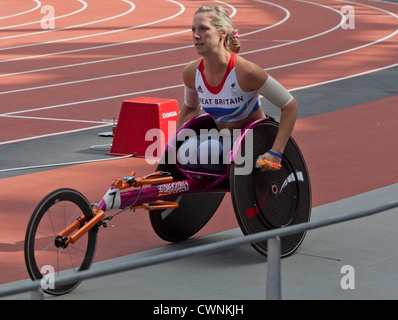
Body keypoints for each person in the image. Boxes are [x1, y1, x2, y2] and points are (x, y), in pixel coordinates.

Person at [176, 5, 298, 172]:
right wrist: (175, 142)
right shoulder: (191, 72)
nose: (196, 35)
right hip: (221, 141)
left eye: (203, 29)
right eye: (193, 29)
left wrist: (276, 152)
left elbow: (289, 105)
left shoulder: (246, 72)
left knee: (206, 151)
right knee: (185, 151)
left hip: (253, 143)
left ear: (222, 33)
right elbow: (190, 107)